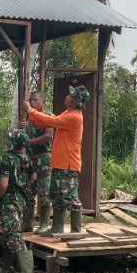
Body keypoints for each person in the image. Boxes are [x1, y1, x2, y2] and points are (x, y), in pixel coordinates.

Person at [24, 85, 90, 236]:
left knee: (71, 197)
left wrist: (30, 110)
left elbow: (50, 121)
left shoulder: (74, 117)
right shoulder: (68, 112)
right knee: (57, 196)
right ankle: (57, 227)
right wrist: (32, 116)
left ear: (75, 101)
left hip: (68, 164)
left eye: (69, 96)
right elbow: (47, 122)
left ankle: (76, 230)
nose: (66, 97)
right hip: (59, 163)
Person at [0, 129, 35, 273]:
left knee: (14, 234)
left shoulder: (6, 158)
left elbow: (3, 185)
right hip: (20, 200)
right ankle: (7, 267)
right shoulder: (25, 158)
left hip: (9, 201)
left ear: (11, 142)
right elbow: (34, 176)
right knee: (9, 232)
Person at [23, 91, 54, 234]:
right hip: (31, 159)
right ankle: (27, 223)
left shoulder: (48, 117)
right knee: (29, 192)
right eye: (31, 100)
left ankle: (44, 224)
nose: (33, 102)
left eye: (35, 100)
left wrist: (29, 141)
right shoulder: (29, 118)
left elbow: (48, 136)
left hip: (44, 159)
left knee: (44, 193)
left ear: (43, 102)